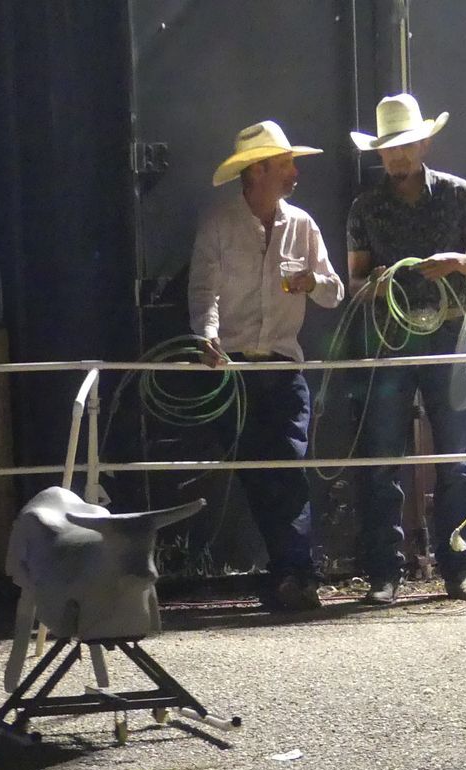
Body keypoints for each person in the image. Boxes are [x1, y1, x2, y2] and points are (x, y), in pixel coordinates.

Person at [189, 120, 345, 611]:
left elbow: (334, 292)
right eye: (285, 165)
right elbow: (203, 291)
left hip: (282, 366)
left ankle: (294, 571)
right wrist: (209, 338)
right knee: (260, 474)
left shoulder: (303, 225)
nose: (294, 172)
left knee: (289, 468)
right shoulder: (219, 224)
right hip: (234, 370)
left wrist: (313, 282)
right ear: (257, 172)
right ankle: (290, 572)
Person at [346, 93, 466, 605]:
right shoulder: (366, 207)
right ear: (380, 154)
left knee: (456, 456)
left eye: (406, 146)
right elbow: (355, 282)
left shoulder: (458, 194)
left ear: (423, 143)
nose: (399, 157)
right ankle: (384, 572)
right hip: (393, 337)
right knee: (383, 455)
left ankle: (459, 567)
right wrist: (378, 284)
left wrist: (457, 261)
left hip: (450, 333)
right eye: (390, 149)